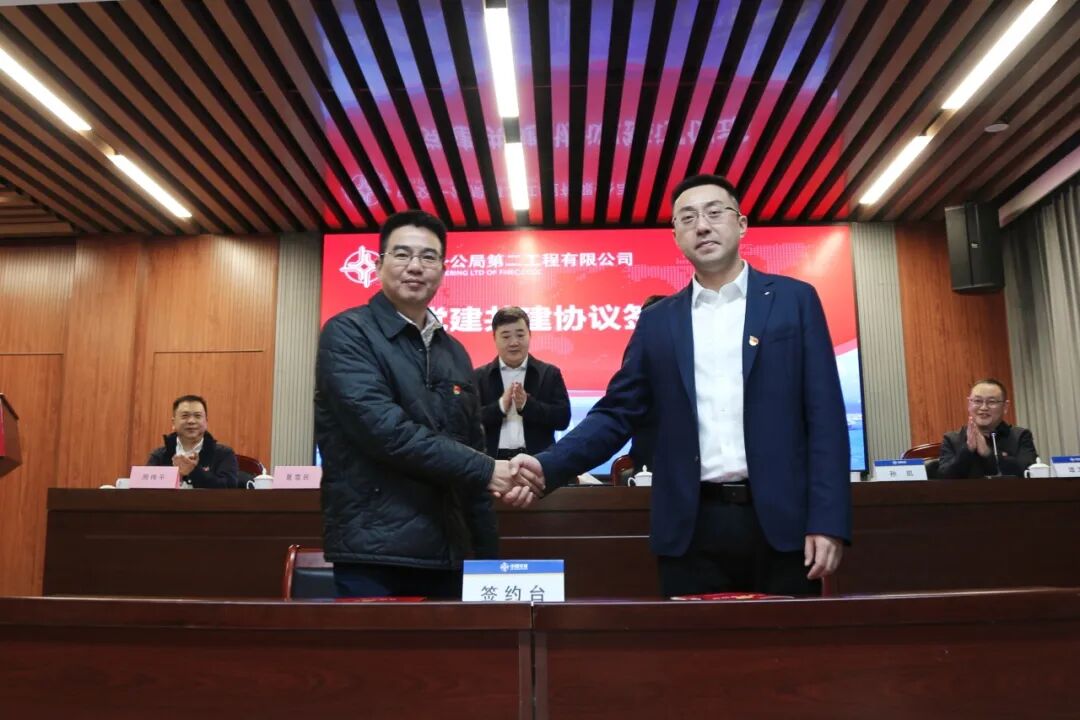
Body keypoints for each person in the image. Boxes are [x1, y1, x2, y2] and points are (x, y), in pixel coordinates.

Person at [511, 174, 851, 597]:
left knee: (789, 640)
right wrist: (549, 465)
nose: (702, 226)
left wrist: (828, 520)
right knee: (692, 642)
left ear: (742, 223)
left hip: (785, 525)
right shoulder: (658, 322)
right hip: (690, 529)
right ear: (675, 236)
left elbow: (825, 418)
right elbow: (617, 412)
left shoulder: (794, 301)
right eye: (687, 218)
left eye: (714, 213)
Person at [315, 210, 536, 599]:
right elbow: (388, 433)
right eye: (402, 254)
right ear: (379, 265)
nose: (415, 266)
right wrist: (488, 470)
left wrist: (487, 558)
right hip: (375, 554)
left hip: (451, 552)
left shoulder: (455, 352)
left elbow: (473, 449)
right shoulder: (347, 333)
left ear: (443, 270)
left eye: (428, 257)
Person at [474, 306, 571, 461]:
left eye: (520, 335)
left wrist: (527, 405)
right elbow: (468, 422)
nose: (514, 342)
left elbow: (563, 419)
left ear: (529, 335)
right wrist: (500, 407)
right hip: (492, 463)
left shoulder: (549, 373)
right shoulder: (478, 377)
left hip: (538, 462)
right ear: (494, 338)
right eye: (506, 336)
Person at [938, 378, 1038, 478]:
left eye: (991, 402)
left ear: (1005, 407)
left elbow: (1029, 473)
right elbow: (943, 478)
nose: (984, 407)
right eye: (977, 401)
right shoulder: (952, 439)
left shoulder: (1021, 436)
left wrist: (988, 453)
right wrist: (967, 449)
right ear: (969, 404)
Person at [146, 394, 240, 488]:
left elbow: (229, 487)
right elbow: (145, 488)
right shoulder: (159, 456)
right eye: (185, 416)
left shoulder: (223, 454)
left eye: (197, 416)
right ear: (173, 422)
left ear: (206, 422)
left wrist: (194, 472)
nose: (191, 421)